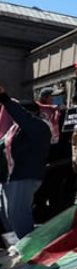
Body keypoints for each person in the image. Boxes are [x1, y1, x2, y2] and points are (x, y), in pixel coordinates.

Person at [0, 88, 52, 238]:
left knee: (18, 215)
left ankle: (31, 253)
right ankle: (16, 247)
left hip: (24, 176)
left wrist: (4, 97)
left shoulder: (39, 126)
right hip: (8, 178)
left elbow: (23, 118)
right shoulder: (13, 131)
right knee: (7, 215)